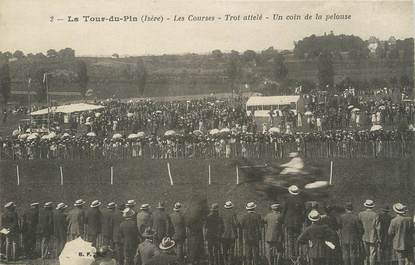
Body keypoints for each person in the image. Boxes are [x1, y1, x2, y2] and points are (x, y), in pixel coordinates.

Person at [282, 185, 305, 260]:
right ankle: (297, 253)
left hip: (289, 222)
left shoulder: (287, 199)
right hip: (297, 222)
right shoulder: (300, 200)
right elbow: (303, 211)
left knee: (290, 238)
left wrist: (282, 219)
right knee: (297, 237)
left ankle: (292, 254)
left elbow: (284, 211)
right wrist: (302, 219)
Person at [358, 199, 378, 265]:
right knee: (372, 254)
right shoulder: (375, 215)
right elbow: (378, 227)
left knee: (365, 254)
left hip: (364, 236)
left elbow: (359, 226)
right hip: (373, 237)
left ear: (365, 206)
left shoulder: (361, 214)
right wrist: (378, 237)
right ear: (372, 206)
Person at [221, 201, 238, 265]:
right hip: (232, 235)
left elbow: (220, 223)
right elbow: (236, 223)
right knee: (231, 251)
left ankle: (225, 262)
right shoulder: (233, 213)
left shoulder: (222, 214)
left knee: (224, 250)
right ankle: (230, 263)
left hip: (224, 234)